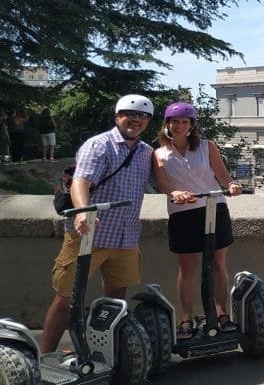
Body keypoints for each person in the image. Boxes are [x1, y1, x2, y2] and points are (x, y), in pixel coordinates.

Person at [40, 94, 154, 353]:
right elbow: (81, 181)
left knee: (115, 300)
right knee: (66, 298)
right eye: (129, 114)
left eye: (142, 116)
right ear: (117, 117)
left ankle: (100, 352)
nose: (135, 120)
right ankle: (45, 359)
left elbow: (165, 177)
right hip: (89, 234)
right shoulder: (99, 145)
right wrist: (82, 212)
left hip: (125, 237)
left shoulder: (146, 152)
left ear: (148, 121)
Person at [152, 102, 243, 339]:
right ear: (167, 124)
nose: (179, 126)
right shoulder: (159, 153)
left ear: (192, 125)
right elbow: (163, 182)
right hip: (182, 212)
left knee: (217, 264)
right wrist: (174, 193)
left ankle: (221, 313)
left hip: (214, 207)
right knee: (188, 268)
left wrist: (230, 184)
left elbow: (221, 172)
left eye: (184, 122)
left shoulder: (206, 146)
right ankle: (186, 318)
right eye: (175, 122)